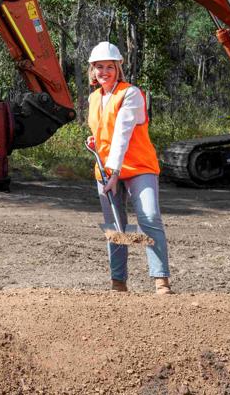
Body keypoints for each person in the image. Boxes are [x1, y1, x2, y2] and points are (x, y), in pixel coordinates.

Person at [85, 41, 172, 294]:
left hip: (138, 167)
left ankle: (160, 280)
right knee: (115, 225)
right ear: (92, 70)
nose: (104, 72)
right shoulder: (93, 97)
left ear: (118, 68)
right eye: (99, 67)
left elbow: (123, 133)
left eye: (109, 67)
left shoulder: (131, 93)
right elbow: (104, 129)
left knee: (148, 217)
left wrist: (113, 172)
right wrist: (95, 140)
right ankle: (118, 282)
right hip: (106, 170)